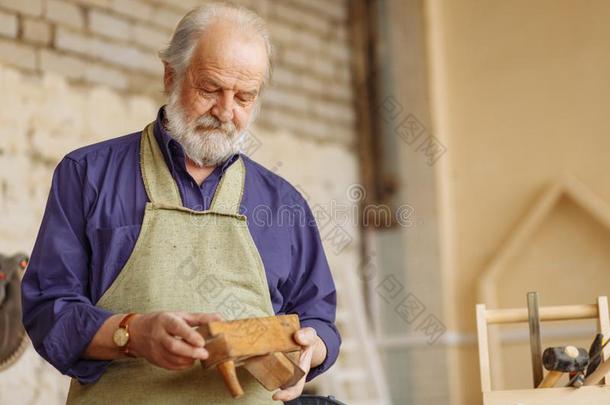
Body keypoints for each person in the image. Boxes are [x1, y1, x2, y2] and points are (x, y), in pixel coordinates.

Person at [21, 4, 340, 404]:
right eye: (210, 89)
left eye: (244, 97)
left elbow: (318, 318)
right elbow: (48, 310)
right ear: (171, 76)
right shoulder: (86, 176)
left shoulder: (284, 203)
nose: (226, 112)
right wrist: (132, 333)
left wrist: (311, 350)